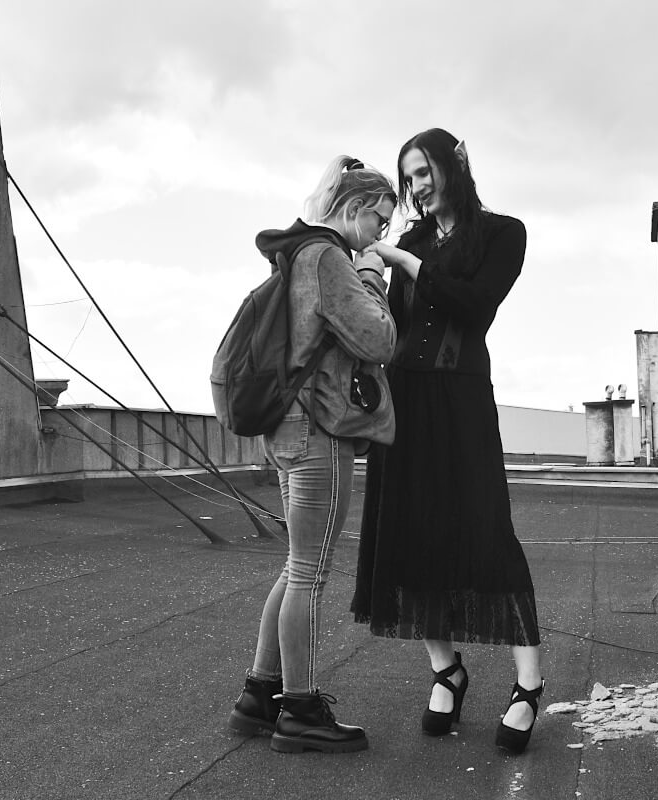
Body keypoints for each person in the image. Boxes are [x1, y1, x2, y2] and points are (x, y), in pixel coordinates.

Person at [351, 128, 544, 754]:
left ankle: (528, 685)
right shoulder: (403, 239)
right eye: (408, 176)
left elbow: (475, 305)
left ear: (453, 164)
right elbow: (388, 329)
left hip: (461, 399)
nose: (416, 185)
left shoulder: (502, 233)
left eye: (424, 170)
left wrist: (405, 263)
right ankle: (447, 671)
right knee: (411, 533)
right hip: (405, 401)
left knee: (487, 531)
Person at [228, 155, 397, 754]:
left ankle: (259, 693)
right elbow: (378, 336)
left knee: (296, 565)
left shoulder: (296, 253)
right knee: (309, 572)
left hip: (288, 429)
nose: (383, 232)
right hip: (318, 433)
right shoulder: (329, 257)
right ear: (353, 209)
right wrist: (374, 277)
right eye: (380, 218)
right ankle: (299, 709)